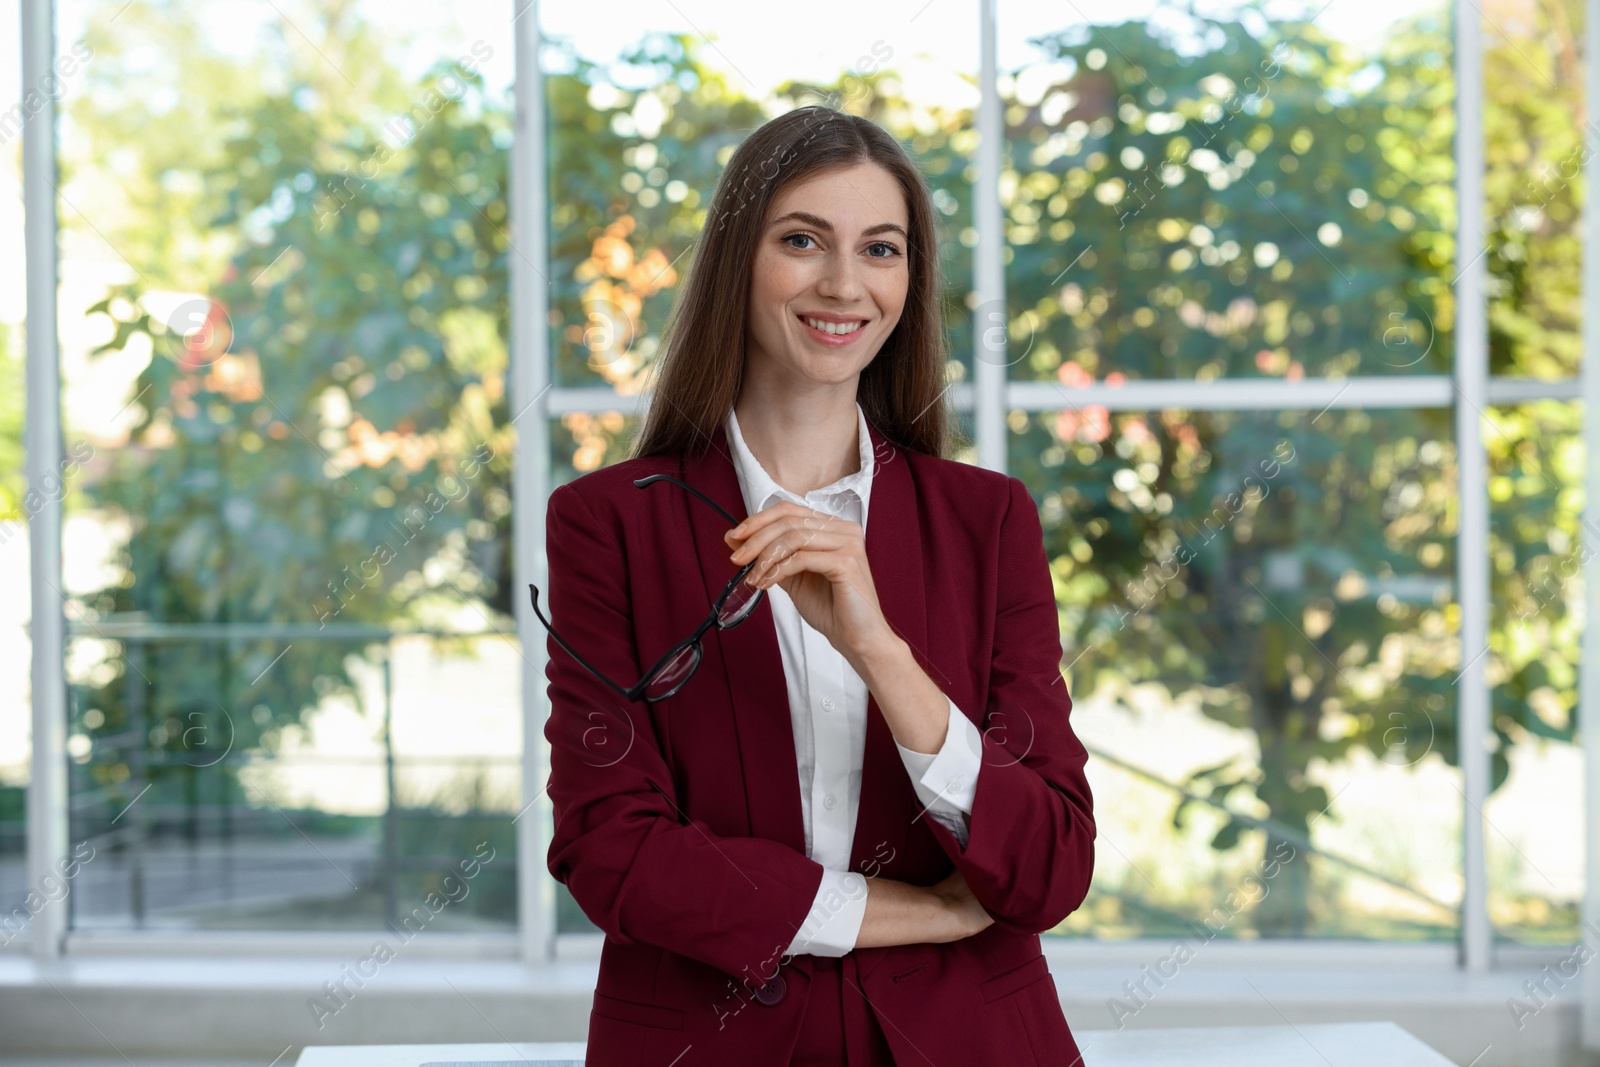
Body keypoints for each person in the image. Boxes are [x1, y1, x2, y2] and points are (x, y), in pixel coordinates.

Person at [534, 104, 1096, 1066]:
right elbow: (613, 852)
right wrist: (908, 913)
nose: (845, 283)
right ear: (736, 262)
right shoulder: (609, 523)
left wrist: (878, 648)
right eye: (803, 240)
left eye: (881, 249)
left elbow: (1048, 866)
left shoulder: (988, 520)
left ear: (909, 280)